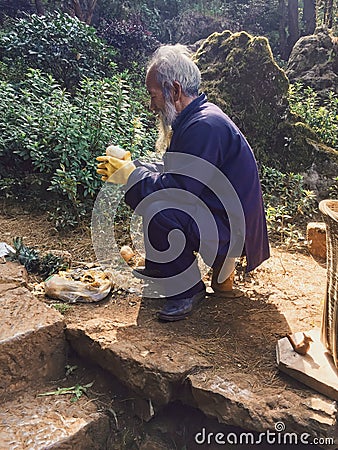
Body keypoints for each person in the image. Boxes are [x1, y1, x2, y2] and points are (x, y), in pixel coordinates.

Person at [96, 44, 270, 322]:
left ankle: (186, 289)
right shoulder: (198, 118)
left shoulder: (203, 127)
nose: (152, 106)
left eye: (153, 96)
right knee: (147, 181)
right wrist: (135, 168)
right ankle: (161, 267)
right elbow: (179, 173)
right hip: (222, 215)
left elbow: (178, 193)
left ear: (174, 91)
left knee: (160, 209)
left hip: (231, 231)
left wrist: (130, 176)